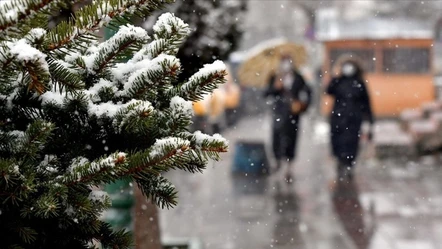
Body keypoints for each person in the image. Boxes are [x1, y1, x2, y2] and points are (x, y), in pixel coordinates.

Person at [265, 55, 311, 183]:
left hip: (293, 114)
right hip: (279, 113)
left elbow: (306, 93)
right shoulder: (275, 77)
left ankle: (289, 166)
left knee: (292, 138)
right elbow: (267, 93)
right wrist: (276, 88)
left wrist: (301, 104)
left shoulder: (298, 77)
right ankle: (278, 160)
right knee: (277, 137)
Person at [327, 57, 374, 180]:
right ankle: (340, 161)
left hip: (354, 119)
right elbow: (329, 90)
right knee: (337, 141)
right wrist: (335, 76)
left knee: (352, 143)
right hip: (338, 117)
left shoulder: (359, 82)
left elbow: (366, 102)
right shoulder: (338, 81)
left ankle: (349, 164)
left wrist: (369, 119)